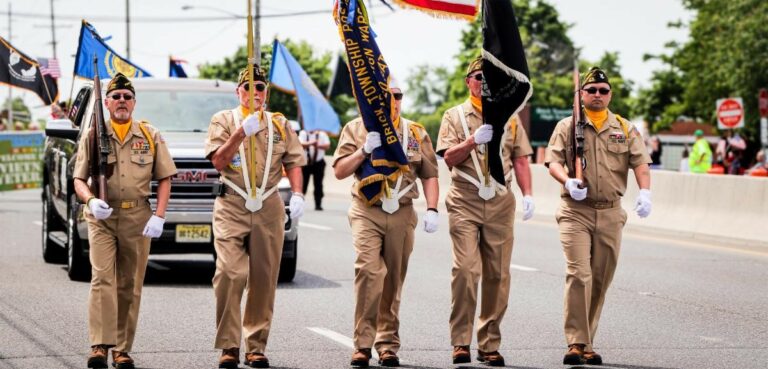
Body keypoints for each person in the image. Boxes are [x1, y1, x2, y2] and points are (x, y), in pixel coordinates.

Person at [544, 67, 652, 365]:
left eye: (603, 91)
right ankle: (577, 342)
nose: (597, 95)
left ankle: (587, 340)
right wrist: (566, 181)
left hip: (610, 212)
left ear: (610, 95)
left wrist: (645, 192)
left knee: (600, 279)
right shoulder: (567, 126)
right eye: (591, 90)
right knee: (580, 274)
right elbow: (552, 161)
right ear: (581, 94)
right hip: (575, 210)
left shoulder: (625, 128)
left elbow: (640, 163)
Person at [72, 73, 177, 369]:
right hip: (101, 216)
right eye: (116, 97)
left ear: (134, 103)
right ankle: (99, 345)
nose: (121, 101)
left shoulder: (149, 134)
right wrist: (91, 200)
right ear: (106, 102)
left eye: (127, 97)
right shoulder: (93, 135)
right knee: (102, 278)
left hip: (138, 216)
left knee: (130, 283)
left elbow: (166, 177)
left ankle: (121, 349)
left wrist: (159, 215)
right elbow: (79, 179)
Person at [436, 56, 535, 367]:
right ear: (468, 81)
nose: (483, 82)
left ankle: (489, 342)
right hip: (465, 198)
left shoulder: (510, 117)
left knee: (498, 273)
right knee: (466, 269)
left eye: (487, 77)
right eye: (478, 76)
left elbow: (520, 159)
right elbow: (448, 158)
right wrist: (471, 141)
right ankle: (461, 342)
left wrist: (529, 194)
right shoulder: (454, 115)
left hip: (500, 200)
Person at [205, 66, 306, 369]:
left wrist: (298, 193)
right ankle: (228, 346)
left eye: (260, 87)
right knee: (229, 274)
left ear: (266, 92)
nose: (255, 93)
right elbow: (219, 161)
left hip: (268, 205)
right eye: (248, 87)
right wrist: (240, 133)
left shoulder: (280, 124)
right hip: (232, 202)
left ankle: (256, 346)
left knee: (264, 279)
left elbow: (294, 161)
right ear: (238, 92)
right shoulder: (223, 120)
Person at [333, 80, 439, 368]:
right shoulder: (357, 128)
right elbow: (340, 171)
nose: (393, 101)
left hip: (403, 211)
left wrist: (432, 208)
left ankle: (388, 343)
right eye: (387, 96)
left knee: (393, 278)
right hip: (367, 209)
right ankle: (363, 345)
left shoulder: (415, 132)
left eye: (398, 96)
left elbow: (429, 173)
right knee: (369, 271)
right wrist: (363, 151)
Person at [298, 128, 331, 210]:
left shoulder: (322, 134)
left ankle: (318, 204)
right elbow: (300, 144)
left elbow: (327, 146)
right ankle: (299, 203)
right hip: (306, 163)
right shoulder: (303, 133)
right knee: (303, 184)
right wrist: (311, 143)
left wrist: (318, 145)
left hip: (318, 162)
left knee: (318, 184)